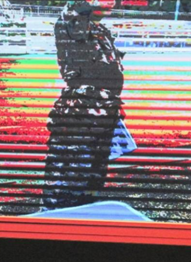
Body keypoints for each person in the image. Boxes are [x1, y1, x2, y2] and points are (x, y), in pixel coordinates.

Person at [44, 0, 128, 210]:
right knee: (68, 180)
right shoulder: (72, 22)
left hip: (105, 111)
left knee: (92, 182)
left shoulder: (102, 31)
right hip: (80, 113)